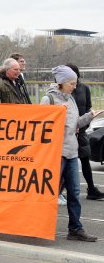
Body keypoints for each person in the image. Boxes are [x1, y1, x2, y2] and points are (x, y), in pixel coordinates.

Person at [40, 65, 102, 242]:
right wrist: (58, 114)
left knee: (74, 192)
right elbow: (42, 126)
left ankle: (75, 229)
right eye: (72, 83)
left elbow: (75, 125)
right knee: (49, 193)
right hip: (56, 154)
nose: (75, 86)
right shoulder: (48, 99)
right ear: (61, 82)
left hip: (71, 152)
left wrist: (90, 116)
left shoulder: (71, 99)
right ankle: (41, 226)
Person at [66, 63, 104, 200]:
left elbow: (88, 106)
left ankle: (91, 189)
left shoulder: (84, 88)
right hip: (67, 131)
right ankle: (60, 190)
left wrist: (85, 123)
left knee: (85, 160)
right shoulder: (62, 90)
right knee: (66, 162)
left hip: (81, 130)